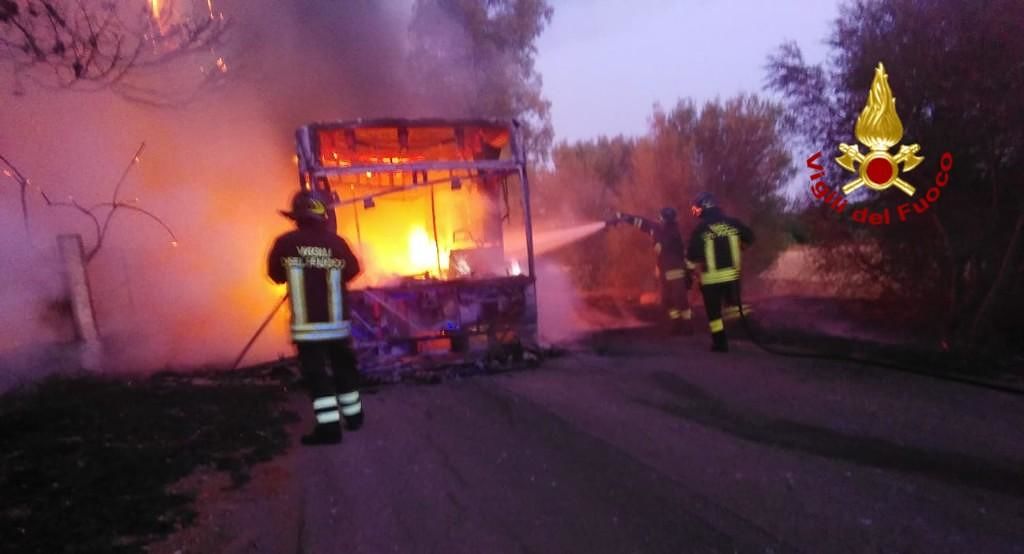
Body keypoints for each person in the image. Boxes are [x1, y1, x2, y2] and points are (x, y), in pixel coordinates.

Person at [267, 190, 363, 445]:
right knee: (344, 368)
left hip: (307, 327)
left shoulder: (285, 243)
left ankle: (330, 429)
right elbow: (353, 270)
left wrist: (301, 268)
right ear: (322, 215)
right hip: (337, 323)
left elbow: (275, 275)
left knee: (317, 375)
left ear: (297, 217)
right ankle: (354, 417)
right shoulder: (337, 243)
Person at [685, 192, 754, 352]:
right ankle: (744, 330)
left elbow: (692, 254)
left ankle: (720, 343)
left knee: (714, 315)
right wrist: (740, 247)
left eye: (697, 208)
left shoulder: (701, 229)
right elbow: (750, 237)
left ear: (705, 207)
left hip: (711, 281)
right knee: (733, 307)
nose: (696, 212)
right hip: (732, 277)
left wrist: (688, 274)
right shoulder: (733, 223)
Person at [608, 206, 694, 335]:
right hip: (664, 273)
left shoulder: (674, 234)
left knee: (681, 301)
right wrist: (622, 217)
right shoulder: (656, 228)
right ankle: (677, 323)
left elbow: (681, 252)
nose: (661, 221)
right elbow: (640, 222)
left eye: (663, 219)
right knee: (667, 302)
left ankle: (687, 326)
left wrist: (688, 272)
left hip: (676, 272)